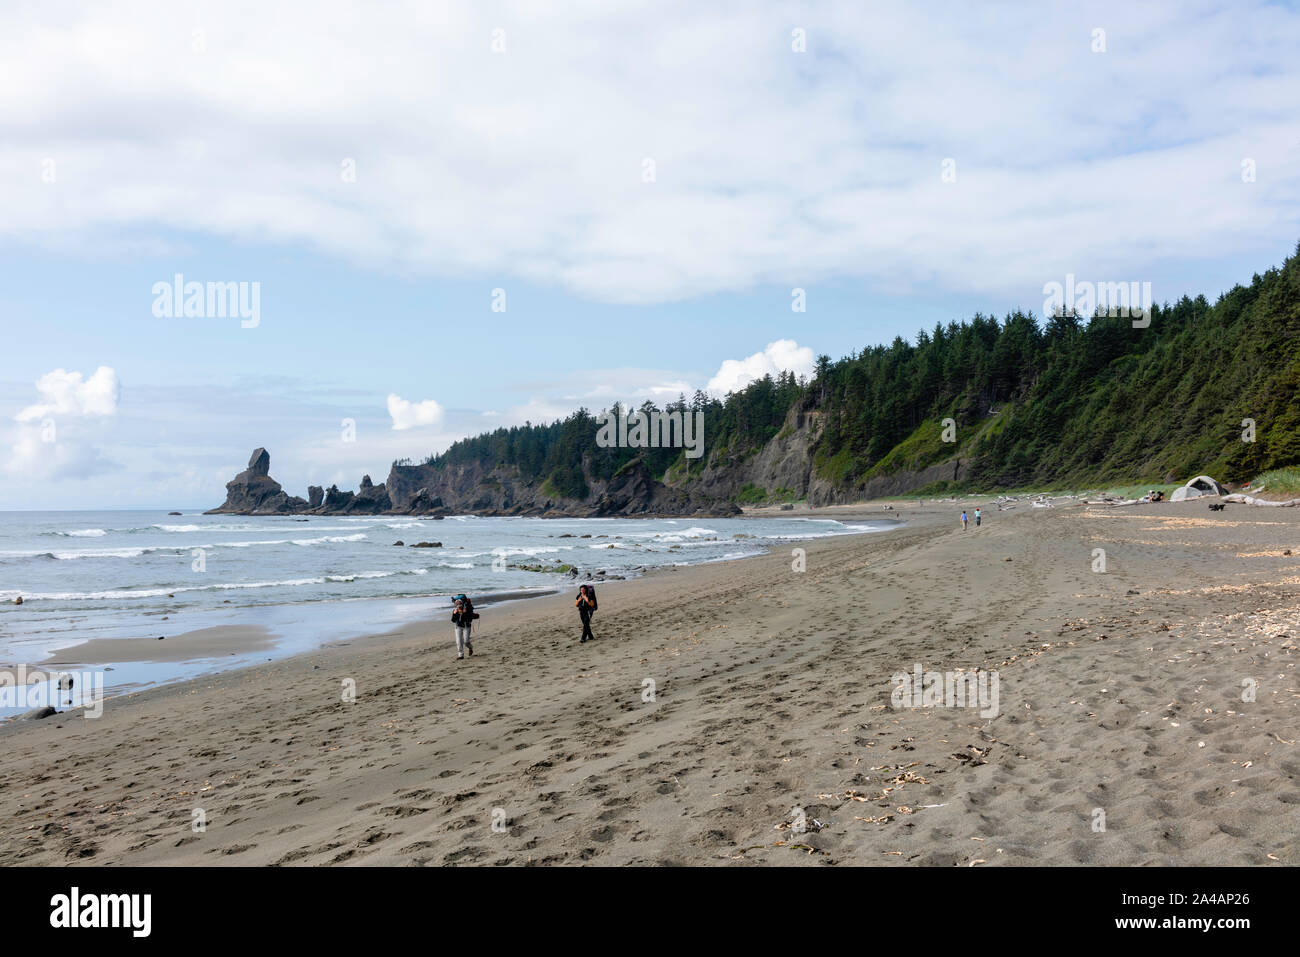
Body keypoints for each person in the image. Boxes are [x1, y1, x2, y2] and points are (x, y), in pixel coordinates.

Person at [451, 594, 475, 659]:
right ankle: (461, 655)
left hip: (466, 626)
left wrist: (465, 613)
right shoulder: (455, 610)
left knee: (466, 641)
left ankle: (470, 647)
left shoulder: (467, 609)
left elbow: (470, 618)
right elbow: (453, 620)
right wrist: (455, 614)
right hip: (458, 627)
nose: (458, 606)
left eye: (459, 605)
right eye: (457, 605)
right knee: (459, 641)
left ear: (462, 604)